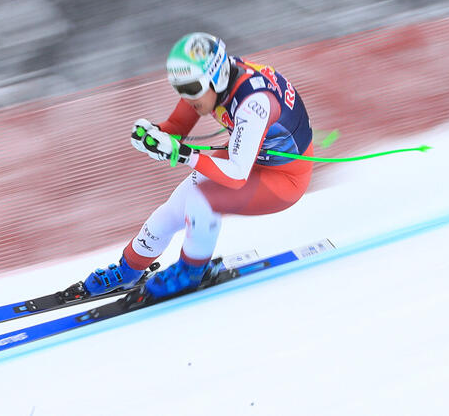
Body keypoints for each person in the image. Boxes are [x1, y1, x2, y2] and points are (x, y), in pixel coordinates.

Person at [83, 32, 314, 299]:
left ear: (215, 77)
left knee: (203, 199)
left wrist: (183, 155)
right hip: (251, 158)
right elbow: (177, 128)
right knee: (180, 201)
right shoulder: (209, 85)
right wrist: (152, 135)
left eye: (191, 88)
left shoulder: (254, 103)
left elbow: (237, 175)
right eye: (178, 87)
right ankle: (130, 268)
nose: (186, 96)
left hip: (284, 178)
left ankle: (191, 272)